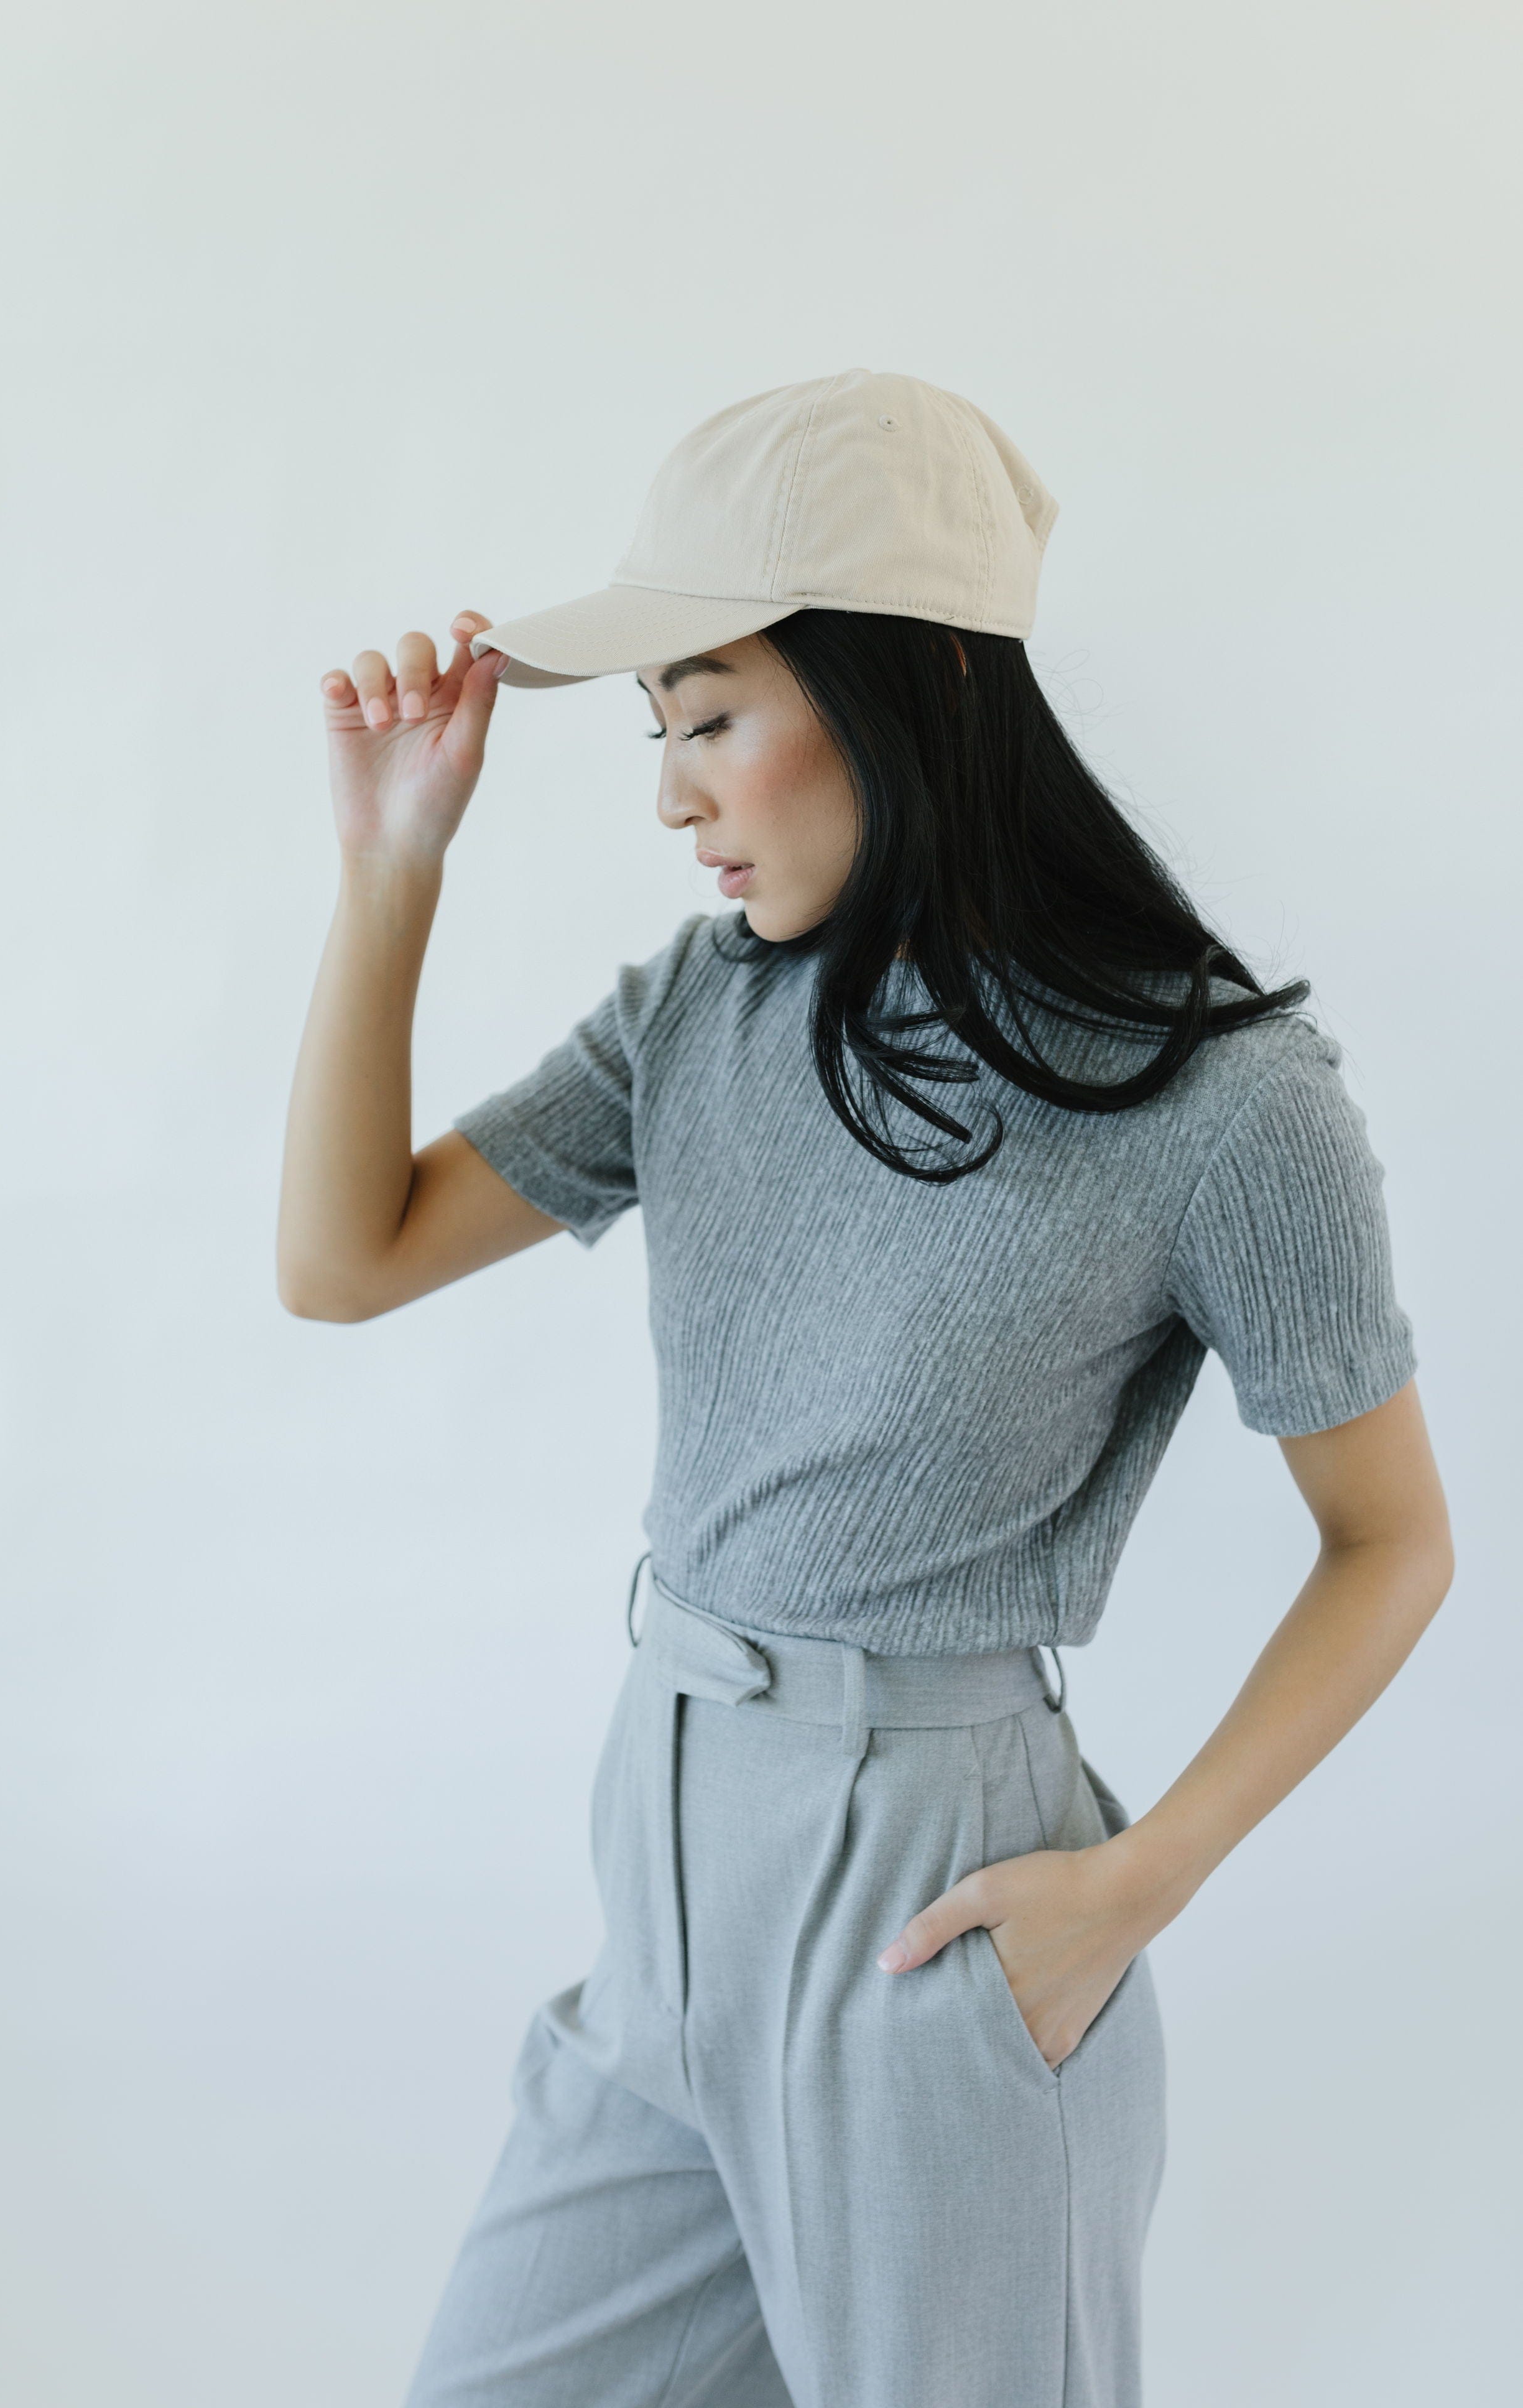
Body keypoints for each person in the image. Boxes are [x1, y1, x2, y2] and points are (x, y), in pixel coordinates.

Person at [276, 370, 1453, 2408]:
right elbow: (343, 1261)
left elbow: (1393, 1543)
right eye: (657, 731)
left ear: (911, 687)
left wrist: (1135, 1888)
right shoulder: (702, 1008)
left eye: (712, 713)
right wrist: (391, 870)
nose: (674, 796)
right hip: (666, 1855)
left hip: (931, 1899)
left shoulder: (1219, 1099)